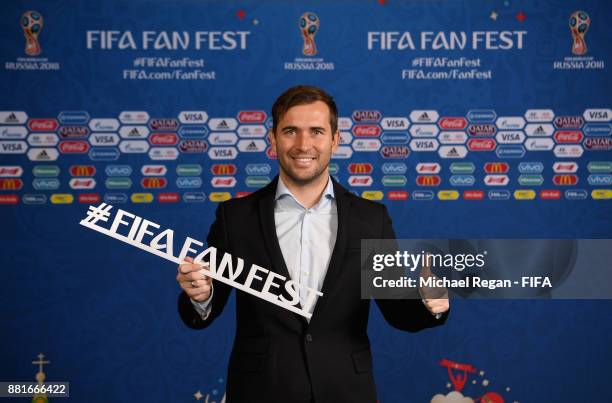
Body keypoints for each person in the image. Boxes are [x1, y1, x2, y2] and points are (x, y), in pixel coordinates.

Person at [176, 85, 450, 403]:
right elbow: (203, 309)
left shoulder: (370, 219)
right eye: (290, 131)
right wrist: (201, 295)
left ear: (335, 139)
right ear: (273, 138)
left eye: (316, 131)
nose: (303, 144)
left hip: (346, 391)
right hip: (260, 391)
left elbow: (397, 310)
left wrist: (431, 302)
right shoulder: (236, 217)